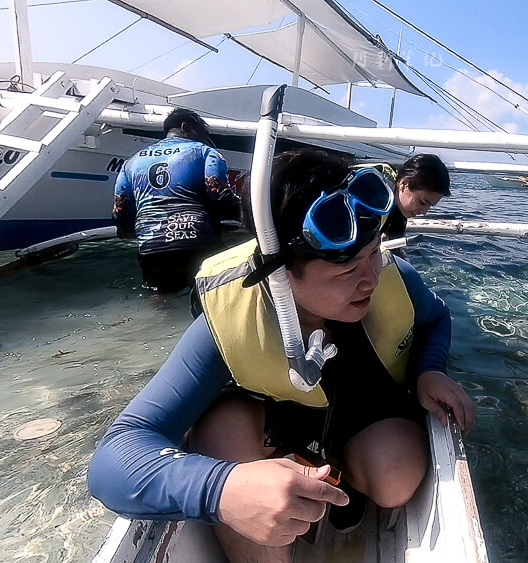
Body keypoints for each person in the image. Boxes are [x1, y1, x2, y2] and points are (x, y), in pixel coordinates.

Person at [88, 150, 475, 561]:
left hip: (361, 410)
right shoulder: (229, 319)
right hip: (275, 421)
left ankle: (342, 479)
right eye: (347, 272)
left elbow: (437, 317)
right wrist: (223, 488)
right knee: (220, 428)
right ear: (280, 274)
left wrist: (429, 370)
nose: (371, 279)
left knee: (396, 476)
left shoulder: (394, 278)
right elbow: (113, 460)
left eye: (374, 253)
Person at [112, 108, 240, 293]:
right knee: (217, 296)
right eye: (204, 134)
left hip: (151, 247)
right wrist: (249, 217)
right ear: (186, 127)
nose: (206, 139)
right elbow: (220, 196)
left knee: (161, 300)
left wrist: (126, 230)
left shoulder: (131, 162)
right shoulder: (205, 152)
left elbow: (121, 209)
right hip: (198, 240)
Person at [381, 153, 451, 239]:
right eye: (422, 202)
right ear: (404, 184)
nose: (424, 212)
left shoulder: (399, 204)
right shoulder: (370, 198)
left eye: (430, 206)